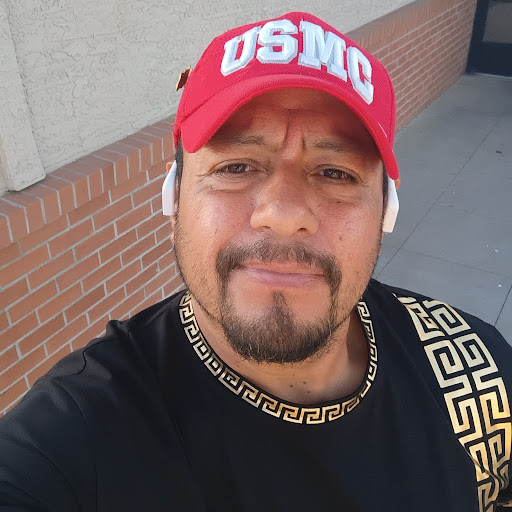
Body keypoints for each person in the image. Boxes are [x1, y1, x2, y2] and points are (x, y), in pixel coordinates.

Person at [0, 11, 511, 512]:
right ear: (174, 199)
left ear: (386, 209)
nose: (284, 215)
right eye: (236, 166)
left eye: (335, 173)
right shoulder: (77, 436)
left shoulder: (478, 377)